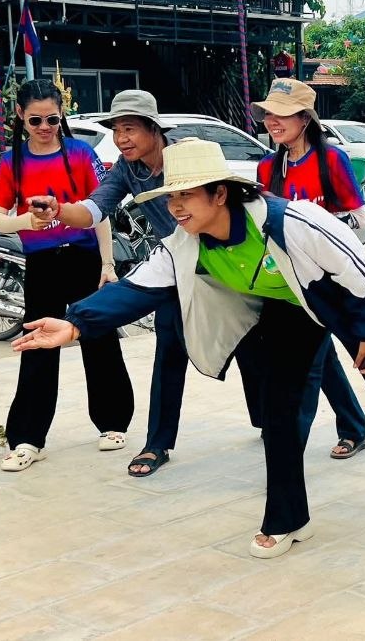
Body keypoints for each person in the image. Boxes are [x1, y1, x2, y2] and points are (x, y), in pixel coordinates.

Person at [15, 138, 365, 559]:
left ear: (220, 193)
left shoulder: (291, 221)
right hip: (288, 309)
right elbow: (136, 288)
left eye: (187, 195)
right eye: (171, 197)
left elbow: (362, 273)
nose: (176, 207)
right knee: (278, 410)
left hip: (341, 298)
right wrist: (74, 325)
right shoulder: (184, 243)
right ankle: (288, 519)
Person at [34, 89, 264, 478]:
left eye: (130, 129)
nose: (121, 138)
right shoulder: (128, 169)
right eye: (116, 130)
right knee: (169, 348)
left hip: (222, 263)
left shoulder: (186, 155)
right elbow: (94, 208)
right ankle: (158, 443)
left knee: (249, 341)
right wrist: (59, 210)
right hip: (172, 267)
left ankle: (289, 419)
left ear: (154, 129)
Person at [0, 78, 133, 472]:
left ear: (61, 115)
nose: (44, 127)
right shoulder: (12, 162)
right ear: (20, 116)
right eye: (35, 120)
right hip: (42, 262)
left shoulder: (80, 153)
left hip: (84, 257)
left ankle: (113, 422)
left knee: (99, 336)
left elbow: (98, 212)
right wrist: (26, 221)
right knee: (38, 342)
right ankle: (27, 438)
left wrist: (107, 264)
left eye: (52, 119)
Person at [254, 77, 365, 460]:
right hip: (287, 281)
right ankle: (354, 426)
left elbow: (359, 218)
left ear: (305, 119)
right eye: (268, 114)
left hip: (330, 281)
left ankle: (288, 450)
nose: (272, 121)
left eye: (282, 114)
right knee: (319, 358)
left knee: (309, 365)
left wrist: (313, 228)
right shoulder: (266, 168)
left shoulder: (331, 160)